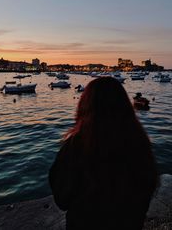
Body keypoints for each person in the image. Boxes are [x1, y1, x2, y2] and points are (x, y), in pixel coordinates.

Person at [49, 77, 159, 230]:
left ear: (85, 105)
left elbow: (62, 198)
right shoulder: (139, 142)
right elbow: (149, 185)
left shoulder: (76, 146)